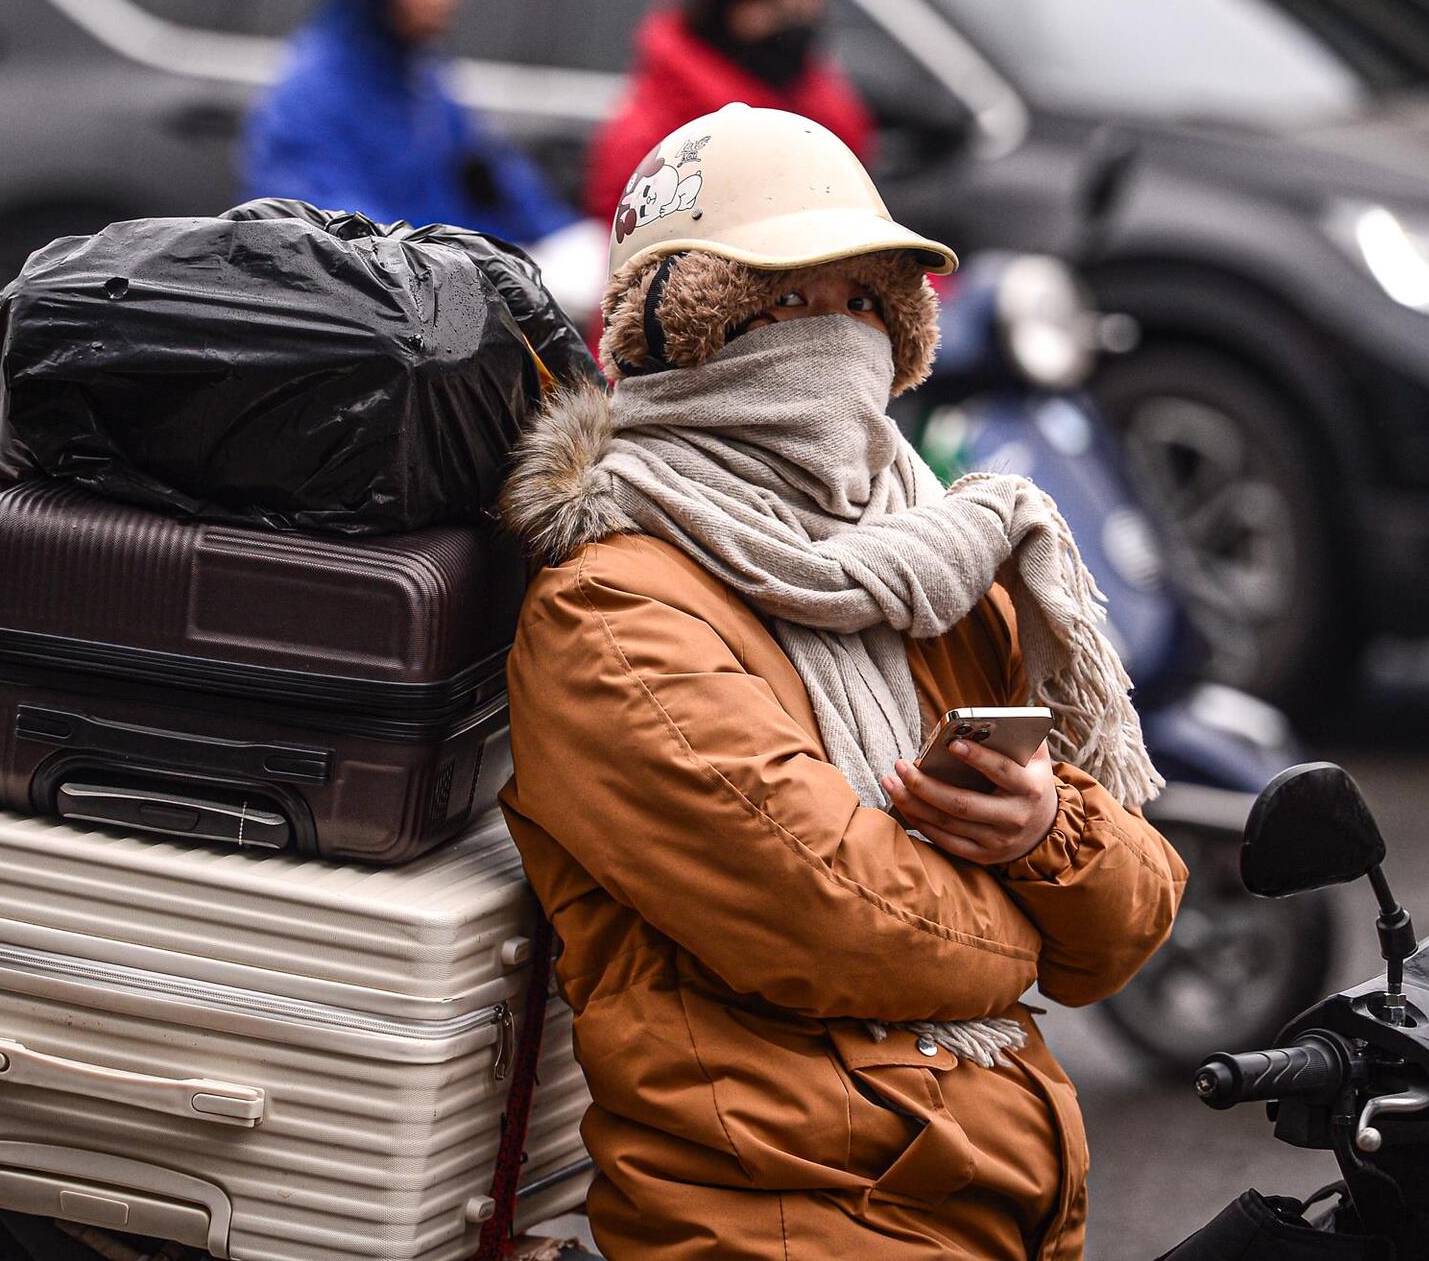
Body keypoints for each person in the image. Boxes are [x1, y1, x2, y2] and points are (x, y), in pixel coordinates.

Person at [499, 103, 1186, 1261]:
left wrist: (1041, 831)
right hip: (786, 1212)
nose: (835, 336)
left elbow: (1129, 919)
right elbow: (844, 920)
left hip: (995, 1199)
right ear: (684, 329)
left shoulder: (936, 554)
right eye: (782, 302)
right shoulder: (610, 610)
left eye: (866, 301)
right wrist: (1030, 905)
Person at [241, 0, 572, 244]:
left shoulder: (423, 77)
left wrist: (563, 241)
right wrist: (471, 267)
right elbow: (338, 244)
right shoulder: (309, 96)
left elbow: (496, 182)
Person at [582, 0, 874, 226]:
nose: (794, 15)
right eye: (771, 0)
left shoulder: (823, 107)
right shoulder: (654, 144)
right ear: (717, 12)